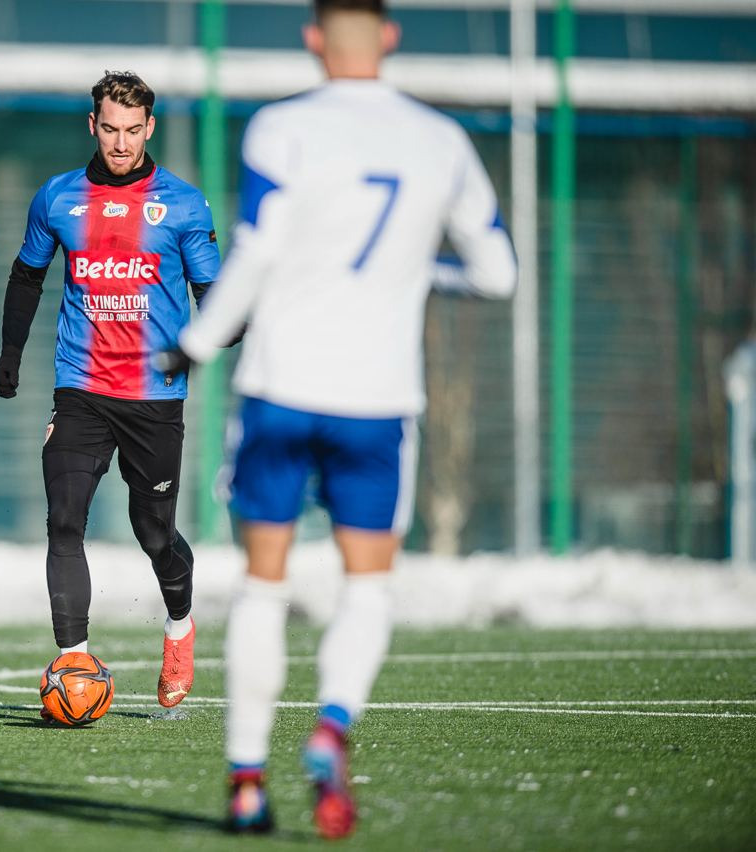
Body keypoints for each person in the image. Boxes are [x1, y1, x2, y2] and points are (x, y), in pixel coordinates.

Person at [157, 0, 517, 837]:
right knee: (367, 586)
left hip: (281, 387)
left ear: (313, 38)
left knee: (263, 585)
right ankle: (331, 725)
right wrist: (419, 273)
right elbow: (497, 274)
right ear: (390, 35)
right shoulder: (440, 140)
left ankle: (247, 781)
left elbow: (260, 248)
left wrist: (197, 343)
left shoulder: (281, 126)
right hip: (378, 402)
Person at [0, 71, 228, 710]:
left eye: (133, 130)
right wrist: (10, 353)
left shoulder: (183, 205)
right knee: (64, 518)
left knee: (154, 532)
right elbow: (26, 276)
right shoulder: (57, 197)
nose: (121, 143)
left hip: (155, 396)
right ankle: (73, 659)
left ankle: (179, 627)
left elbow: (215, 296)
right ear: (92, 126)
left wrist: (220, 334)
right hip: (81, 389)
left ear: (150, 128)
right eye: (110, 129)